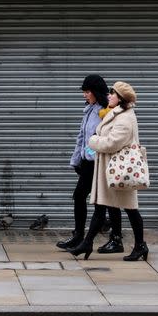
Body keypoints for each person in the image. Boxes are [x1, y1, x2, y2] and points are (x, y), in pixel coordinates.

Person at [69, 81, 148, 261]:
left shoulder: (125, 117)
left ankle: (140, 245)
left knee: (131, 210)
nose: (108, 96)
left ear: (121, 99)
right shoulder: (114, 114)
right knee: (101, 206)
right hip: (110, 169)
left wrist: (93, 141)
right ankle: (87, 243)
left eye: (112, 94)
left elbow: (112, 142)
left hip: (121, 170)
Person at [56, 75, 118, 250]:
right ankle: (80, 236)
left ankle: (113, 238)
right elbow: (82, 138)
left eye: (87, 91)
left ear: (96, 91)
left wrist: (90, 154)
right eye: (84, 91)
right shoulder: (89, 110)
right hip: (88, 163)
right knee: (84, 197)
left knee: (107, 200)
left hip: (100, 162)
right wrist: (77, 159)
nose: (84, 95)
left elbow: (105, 138)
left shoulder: (107, 110)